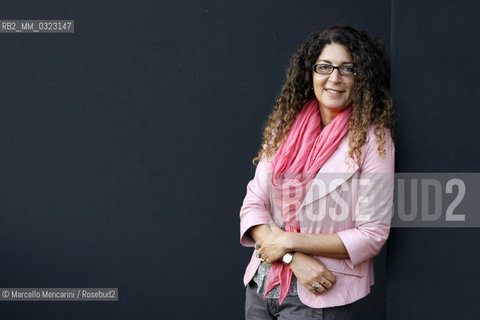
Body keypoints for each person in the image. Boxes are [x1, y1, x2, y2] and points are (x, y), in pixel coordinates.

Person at [239, 26, 395, 320]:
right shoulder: (284, 127)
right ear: (310, 72)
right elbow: (252, 206)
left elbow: (372, 234)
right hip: (261, 286)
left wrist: (289, 242)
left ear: (362, 78)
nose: (334, 78)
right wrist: (291, 256)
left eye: (347, 69)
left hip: (320, 295)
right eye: (324, 67)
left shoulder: (374, 139)